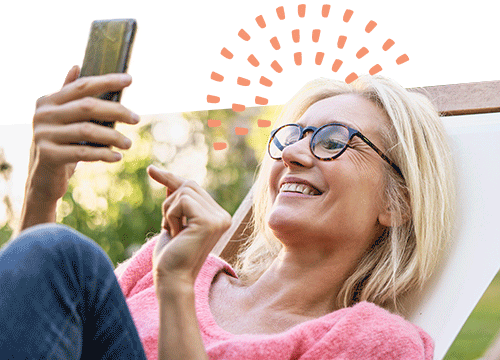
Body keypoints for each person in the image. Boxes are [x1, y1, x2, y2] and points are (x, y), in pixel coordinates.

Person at [0, 65, 455, 359]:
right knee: (56, 254)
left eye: (333, 141)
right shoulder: (166, 263)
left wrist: (175, 290)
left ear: (398, 203)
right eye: (290, 136)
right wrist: (44, 188)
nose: (294, 153)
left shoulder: (371, 342)